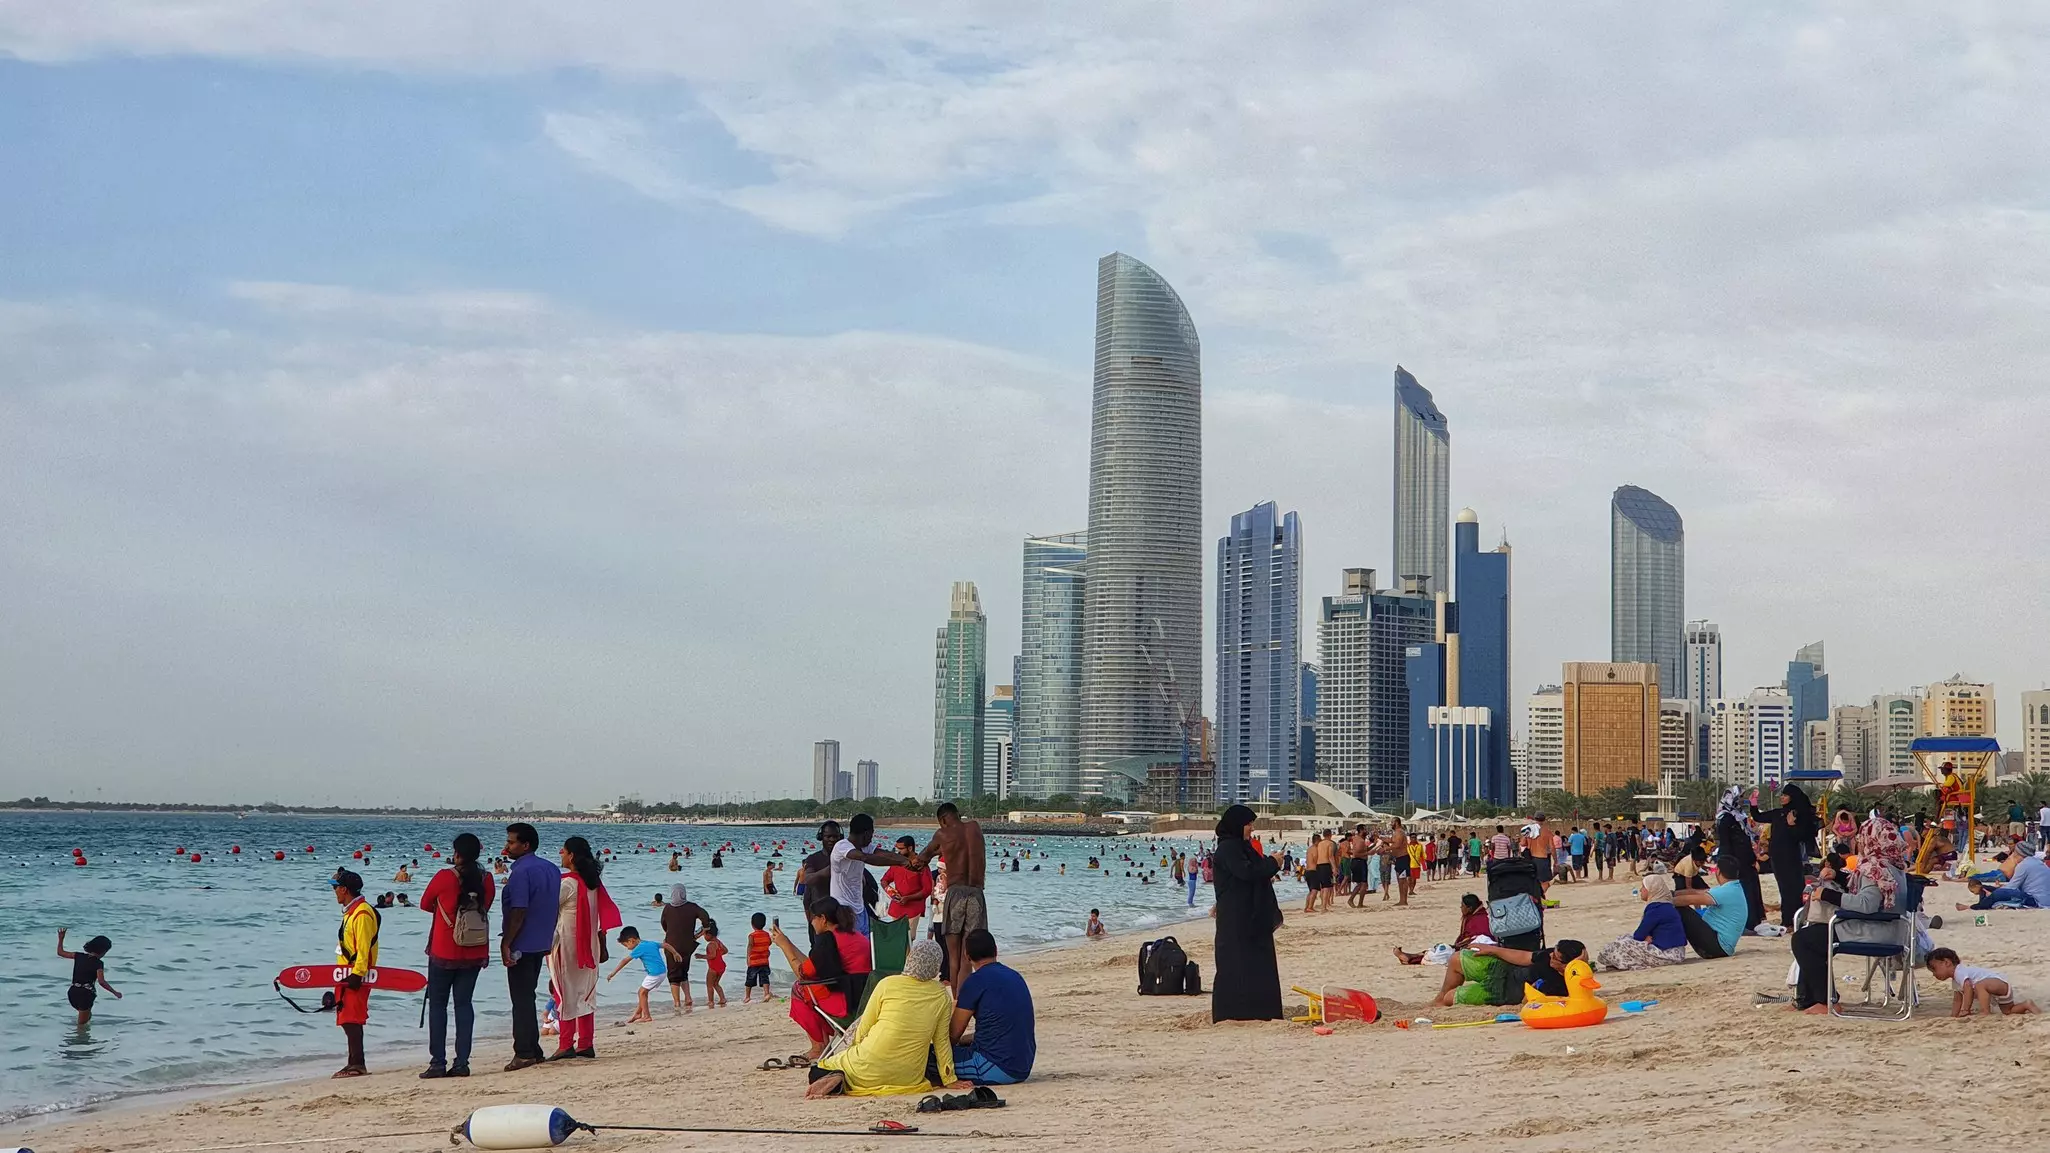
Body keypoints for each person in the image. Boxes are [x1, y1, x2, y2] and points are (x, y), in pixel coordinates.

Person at [1788, 815, 1911, 1013]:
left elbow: (1866, 903)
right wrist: (1840, 877)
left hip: (1874, 930)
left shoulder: (1875, 868)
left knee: (1804, 940)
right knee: (1811, 938)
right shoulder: (1894, 866)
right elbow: (1870, 891)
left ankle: (1825, 1001)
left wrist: (1827, 894)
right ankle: (1807, 999)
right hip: (1891, 930)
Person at [808, 940, 961, 1098]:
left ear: (910, 959)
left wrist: (854, 1050)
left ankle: (840, 1078)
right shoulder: (942, 995)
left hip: (866, 1068)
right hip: (908, 1078)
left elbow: (864, 1028)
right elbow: (941, 1041)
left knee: (818, 1069)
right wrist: (949, 1078)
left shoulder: (887, 984)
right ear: (936, 966)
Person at [419, 832, 494, 1079]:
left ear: (457, 853)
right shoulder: (487, 879)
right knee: (464, 1005)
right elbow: (486, 906)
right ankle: (462, 1062)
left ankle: (437, 1063)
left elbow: (425, 904)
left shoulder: (444, 877)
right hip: (474, 951)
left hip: (443, 950)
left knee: (438, 1006)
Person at [1210, 805, 1283, 1022]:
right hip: (1237, 917)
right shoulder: (1229, 848)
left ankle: (1259, 1010)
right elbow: (1247, 872)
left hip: (1248, 915)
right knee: (1236, 964)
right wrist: (1273, 863)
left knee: (1255, 965)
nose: (1251, 828)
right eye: (1248, 824)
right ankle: (1235, 1012)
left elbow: (1251, 872)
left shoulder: (1241, 847)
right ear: (1237, 825)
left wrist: (1270, 863)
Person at [499, 822, 559, 1072]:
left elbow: (519, 910)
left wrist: (506, 942)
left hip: (522, 942)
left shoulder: (522, 872)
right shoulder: (551, 869)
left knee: (521, 998)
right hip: (540, 940)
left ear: (525, 845)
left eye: (511, 842)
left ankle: (524, 1052)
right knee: (528, 994)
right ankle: (533, 1049)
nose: (506, 847)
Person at [914, 802, 987, 995]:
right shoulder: (975, 827)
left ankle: (956, 999)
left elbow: (922, 859)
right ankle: (965, 998)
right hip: (977, 893)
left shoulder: (942, 834)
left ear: (942, 820)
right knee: (967, 956)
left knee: (953, 957)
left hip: (955, 893)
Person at [550, 835, 612, 1060]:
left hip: (567, 945)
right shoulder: (593, 883)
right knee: (585, 993)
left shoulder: (567, 884)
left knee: (564, 992)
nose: (561, 854)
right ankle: (585, 1042)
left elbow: (548, 909)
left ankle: (566, 1043)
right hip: (590, 945)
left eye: (563, 851)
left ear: (572, 856)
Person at [771, 899, 851, 1062]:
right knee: (808, 987)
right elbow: (813, 964)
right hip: (860, 992)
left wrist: (785, 948)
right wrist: (787, 943)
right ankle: (821, 1045)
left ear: (822, 919)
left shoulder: (829, 941)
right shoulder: (851, 935)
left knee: (800, 988)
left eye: (812, 918)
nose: (811, 923)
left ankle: (818, 1046)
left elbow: (802, 973)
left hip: (844, 999)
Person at [951, 929, 1034, 1085]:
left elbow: (952, 1035)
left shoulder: (974, 982)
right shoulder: (1015, 976)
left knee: (928, 1059)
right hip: (1024, 1065)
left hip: (995, 1066)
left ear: (967, 957)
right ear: (996, 950)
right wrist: (965, 1040)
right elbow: (1004, 1026)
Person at [814, 814, 911, 938]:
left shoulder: (865, 847)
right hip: (843, 909)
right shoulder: (842, 846)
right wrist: (901, 863)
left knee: (866, 948)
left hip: (860, 909)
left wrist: (909, 861)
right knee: (851, 950)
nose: (871, 838)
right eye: (871, 834)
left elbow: (885, 854)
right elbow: (864, 858)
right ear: (866, 834)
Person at [1433, 939, 1586, 1007]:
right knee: (1456, 958)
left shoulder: (1560, 985)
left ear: (1566, 965)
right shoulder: (1549, 954)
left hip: (1502, 992)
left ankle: (1443, 1000)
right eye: (1553, 951)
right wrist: (1494, 950)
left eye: (1556, 957)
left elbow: (1526, 1002)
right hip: (1503, 969)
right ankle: (1437, 1001)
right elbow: (1523, 956)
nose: (1551, 955)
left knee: (1450, 998)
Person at [328, 868, 378, 1078]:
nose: (334, 892)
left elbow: (364, 947)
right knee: (346, 1017)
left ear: (345, 889)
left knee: (352, 1018)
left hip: (357, 974)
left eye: (335, 888)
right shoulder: (352, 912)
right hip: (346, 973)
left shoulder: (363, 913)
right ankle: (353, 1062)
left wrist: (358, 974)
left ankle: (357, 1064)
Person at [1751, 784, 1819, 929]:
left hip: (1791, 857)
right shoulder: (1778, 813)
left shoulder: (1798, 815)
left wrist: (1792, 824)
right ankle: (1787, 920)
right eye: (1781, 795)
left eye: (1785, 795)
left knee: (1793, 888)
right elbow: (1758, 817)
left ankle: (1792, 920)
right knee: (1783, 888)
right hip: (1777, 857)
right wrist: (1753, 803)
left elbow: (1801, 836)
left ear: (1792, 797)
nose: (1782, 797)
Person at [1595, 872, 1688, 970]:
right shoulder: (1666, 905)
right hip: (1676, 952)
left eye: (1643, 887)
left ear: (1652, 889)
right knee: (1624, 938)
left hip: (1667, 954)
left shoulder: (1656, 908)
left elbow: (1639, 935)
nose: (1641, 890)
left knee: (1619, 945)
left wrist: (1645, 939)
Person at [1712, 788, 1766, 933]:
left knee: (1751, 889)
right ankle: (1746, 923)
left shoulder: (1738, 816)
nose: (1741, 800)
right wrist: (1729, 863)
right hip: (1736, 862)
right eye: (1739, 797)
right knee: (1744, 891)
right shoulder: (1725, 819)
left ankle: (1753, 921)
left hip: (1745, 861)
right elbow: (1726, 843)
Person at [1927, 948, 2038, 1017]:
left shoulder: (1960, 971)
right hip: (2001, 990)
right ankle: (2027, 1005)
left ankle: (1985, 1012)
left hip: (1998, 983)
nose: (1934, 974)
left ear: (1946, 962)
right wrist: (1954, 1015)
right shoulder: (1955, 981)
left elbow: (1968, 988)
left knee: (1980, 984)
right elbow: (1957, 999)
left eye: (1934, 969)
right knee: (2008, 1011)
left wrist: (1966, 1009)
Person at [1671, 868, 1749, 960]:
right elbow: (1696, 892)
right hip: (1719, 946)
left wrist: (1662, 900)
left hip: (1716, 948)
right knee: (1674, 906)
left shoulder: (1727, 891)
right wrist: (1672, 893)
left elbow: (1689, 900)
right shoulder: (1733, 888)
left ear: (1718, 871)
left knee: (1679, 908)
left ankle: (1665, 946)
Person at [1393, 893, 1490, 964]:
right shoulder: (1474, 917)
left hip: (1473, 950)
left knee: (1442, 953)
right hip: (1464, 947)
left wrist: (1458, 945)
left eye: (1462, 906)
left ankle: (1409, 958)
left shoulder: (1479, 920)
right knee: (1438, 949)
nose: (1460, 907)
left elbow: (1477, 938)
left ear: (1469, 908)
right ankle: (1411, 956)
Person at [56, 929, 121, 1027]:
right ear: (103, 951)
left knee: (86, 1018)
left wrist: (61, 939)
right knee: (81, 1026)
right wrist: (115, 992)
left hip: (72, 992)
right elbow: (101, 981)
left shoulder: (78, 956)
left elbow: (60, 952)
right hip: (85, 995)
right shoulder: (99, 963)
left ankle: (81, 1039)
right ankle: (79, 1041)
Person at [660, 884, 709, 1013]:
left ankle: (677, 1002)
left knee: (673, 975)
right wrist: (706, 928)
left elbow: (663, 923)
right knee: (683, 972)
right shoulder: (692, 907)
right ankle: (688, 997)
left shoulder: (667, 908)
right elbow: (705, 915)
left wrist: (669, 932)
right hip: (687, 945)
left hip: (671, 946)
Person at [606, 926, 665, 1024]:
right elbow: (665, 945)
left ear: (631, 941)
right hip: (662, 972)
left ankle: (646, 1016)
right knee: (643, 993)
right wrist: (675, 953)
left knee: (641, 993)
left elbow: (625, 960)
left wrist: (613, 973)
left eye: (626, 945)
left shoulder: (639, 948)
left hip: (655, 974)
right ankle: (638, 1013)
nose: (627, 948)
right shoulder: (650, 943)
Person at [882, 837, 934, 940]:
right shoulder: (896, 863)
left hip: (914, 907)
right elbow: (884, 880)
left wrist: (908, 898)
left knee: (909, 938)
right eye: (897, 848)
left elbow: (927, 890)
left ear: (910, 848)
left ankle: (908, 956)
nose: (898, 852)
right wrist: (891, 893)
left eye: (901, 849)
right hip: (896, 906)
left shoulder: (922, 865)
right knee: (896, 938)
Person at [744, 912, 776, 1003]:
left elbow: (750, 946)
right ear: (764, 924)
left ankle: (747, 996)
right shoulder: (766, 935)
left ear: (752, 924)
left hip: (754, 961)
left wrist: (748, 958)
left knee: (750, 979)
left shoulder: (752, 936)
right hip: (764, 961)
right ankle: (766, 993)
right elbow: (769, 943)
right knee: (765, 978)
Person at [699, 919, 729, 1007]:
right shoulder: (718, 942)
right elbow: (726, 950)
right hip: (721, 966)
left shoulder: (711, 944)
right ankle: (722, 998)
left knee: (709, 985)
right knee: (716, 983)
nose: (704, 937)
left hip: (713, 967)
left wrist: (701, 956)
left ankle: (711, 1001)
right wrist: (719, 954)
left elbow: (712, 956)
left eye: (704, 934)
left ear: (709, 935)